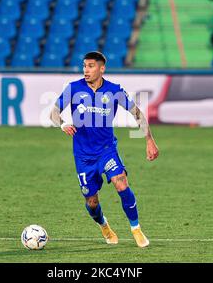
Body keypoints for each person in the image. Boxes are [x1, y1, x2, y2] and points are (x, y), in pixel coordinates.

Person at [50, 51, 159, 248]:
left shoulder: (114, 90)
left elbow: (137, 114)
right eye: (84, 66)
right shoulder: (73, 88)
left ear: (102, 68)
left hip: (106, 150)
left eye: (91, 66)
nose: (86, 70)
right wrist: (63, 124)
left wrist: (149, 140)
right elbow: (53, 113)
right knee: (91, 202)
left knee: (121, 183)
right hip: (83, 156)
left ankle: (136, 228)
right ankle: (104, 225)